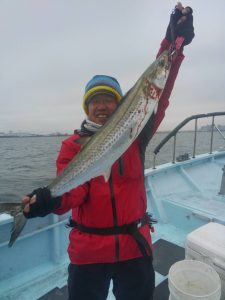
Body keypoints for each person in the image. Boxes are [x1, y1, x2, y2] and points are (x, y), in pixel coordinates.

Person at [22, 3, 194, 300]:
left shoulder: (136, 133)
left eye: (109, 100)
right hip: (88, 254)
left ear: (121, 105)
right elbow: (74, 193)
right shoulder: (72, 145)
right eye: (95, 101)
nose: (102, 106)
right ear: (87, 107)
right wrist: (49, 201)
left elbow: (157, 90)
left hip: (134, 247)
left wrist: (172, 43)